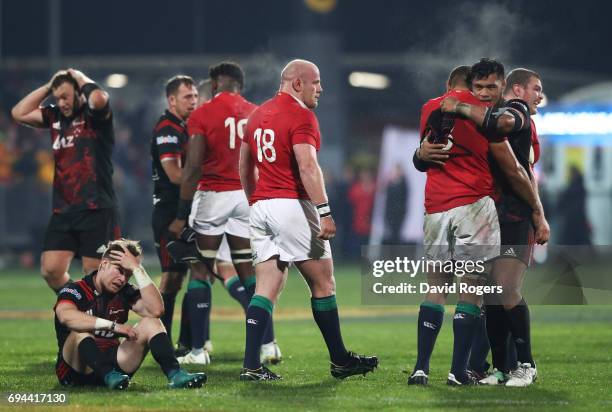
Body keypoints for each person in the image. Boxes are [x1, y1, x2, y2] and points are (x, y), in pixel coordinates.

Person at [408, 61, 548, 386]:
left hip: (493, 214)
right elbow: (514, 169)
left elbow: (521, 171)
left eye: (490, 88)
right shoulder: (477, 117)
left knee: (498, 290)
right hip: (483, 211)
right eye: (479, 88)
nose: (484, 94)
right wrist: (419, 154)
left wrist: (538, 214)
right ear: (472, 87)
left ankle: (517, 364)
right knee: (485, 292)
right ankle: (485, 367)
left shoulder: (505, 117)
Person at [238, 59, 378, 381]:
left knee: (266, 287)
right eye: (316, 82)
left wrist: (254, 201)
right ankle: (341, 360)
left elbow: (244, 167)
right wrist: (325, 211)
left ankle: (252, 366)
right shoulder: (302, 115)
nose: (321, 88)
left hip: (261, 207)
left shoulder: (257, 115)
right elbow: (308, 166)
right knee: (324, 283)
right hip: (292, 207)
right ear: (297, 83)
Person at [168, 62, 281, 365]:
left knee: (201, 269)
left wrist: (181, 214)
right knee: (248, 271)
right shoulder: (258, 113)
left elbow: (192, 168)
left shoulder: (203, 113)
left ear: (216, 84)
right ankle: (268, 345)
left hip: (215, 195)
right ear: (240, 85)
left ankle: (196, 351)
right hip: (248, 196)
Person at [11, 69, 121, 293]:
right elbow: (19, 113)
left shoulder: (94, 117)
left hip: (96, 207)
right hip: (64, 209)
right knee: (51, 269)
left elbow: (100, 98)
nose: (61, 103)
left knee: (94, 274)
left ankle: (98, 324)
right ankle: (78, 305)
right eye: (57, 98)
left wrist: (80, 78)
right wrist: (49, 86)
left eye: (65, 97)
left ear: (79, 94)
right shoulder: (54, 117)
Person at [53, 239, 206, 389]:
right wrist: (114, 326)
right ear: (104, 264)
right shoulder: (75, 289)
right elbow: (66, 316)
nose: (122, 279)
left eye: (128, 274)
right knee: (80, 332)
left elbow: (156, 310)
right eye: (120, 271)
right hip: (76, 371)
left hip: (116, 368)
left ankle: (176, 374)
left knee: (152, 322)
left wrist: (138, 269)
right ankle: (108, 375)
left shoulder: (125, 291)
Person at [150, 75, 215, 362]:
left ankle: (190, 341)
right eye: (187, 97)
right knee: (172, 280)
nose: (193, 101)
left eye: (194, 96)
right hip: (169, 216)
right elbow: (175, 175)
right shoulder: (167, 129)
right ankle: (160, 341)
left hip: (191, 213)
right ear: (171, 100)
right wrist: (209, 177)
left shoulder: (188, 128)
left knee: (199, 276)